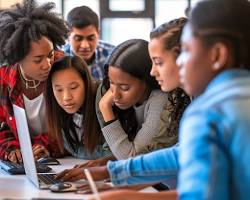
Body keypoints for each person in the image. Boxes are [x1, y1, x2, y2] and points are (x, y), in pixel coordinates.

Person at [87, 0, 250, 199]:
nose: (181, 62)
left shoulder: (208, 112)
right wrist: (114, 173)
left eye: (187, 50)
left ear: (217, 55)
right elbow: (184, 153)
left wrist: (131, 196)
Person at [55, 19, 191, 185]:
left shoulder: (165, 99)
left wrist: (105, 108)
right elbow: (171, 157)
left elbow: (133, 156)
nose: (153, 71)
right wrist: (108, 166)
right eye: (112, 83)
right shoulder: (111, 93)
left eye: (159, 62)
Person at [0, 0, 68, 163]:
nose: (47, 64)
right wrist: (12, 149)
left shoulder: (64, 69)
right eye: (38, 60)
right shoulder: (3, 79)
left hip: (62, 159)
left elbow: (73, 123)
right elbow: (2, 126)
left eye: (50, 54)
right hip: (24, 163)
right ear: (18, 58)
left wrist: (40, 146)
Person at [45, 55, 112, 161]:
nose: (66, 97)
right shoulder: (58, 111)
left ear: (86, 83)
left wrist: (77, 151)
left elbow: (112, 152)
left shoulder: (102, 99)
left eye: (73, 87)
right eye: (59, 90)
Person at [63, 6, 114, 81]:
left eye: (91, 38)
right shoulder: (59, 58)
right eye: (78, 39)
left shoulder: (113, 54)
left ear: (98, 33)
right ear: (68, 36)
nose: (85, 45)